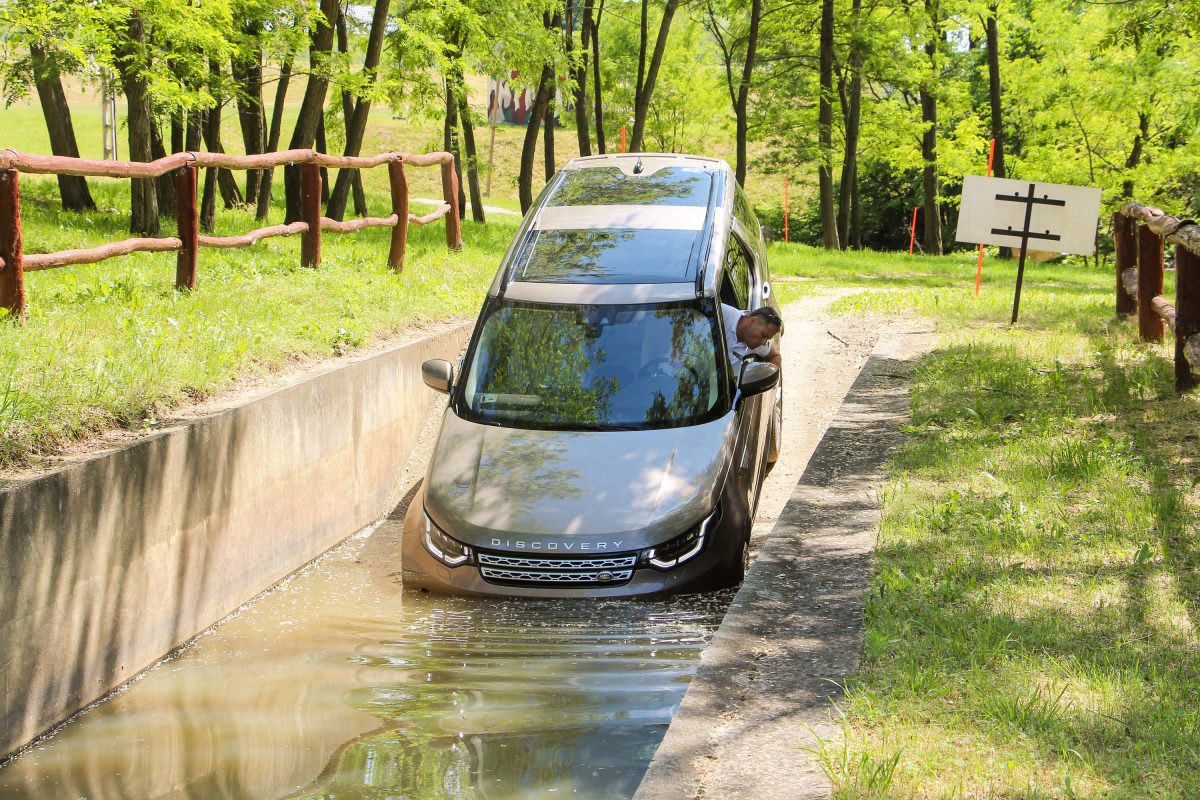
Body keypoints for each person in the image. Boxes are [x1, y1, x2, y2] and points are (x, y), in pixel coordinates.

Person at [721, 304, 782, 371]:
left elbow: (776, 357)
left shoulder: (759, 344)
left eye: (767, 339)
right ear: (753, 321)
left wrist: (762, 373)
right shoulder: (722, 312)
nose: (764, 342)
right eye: (764, 335)